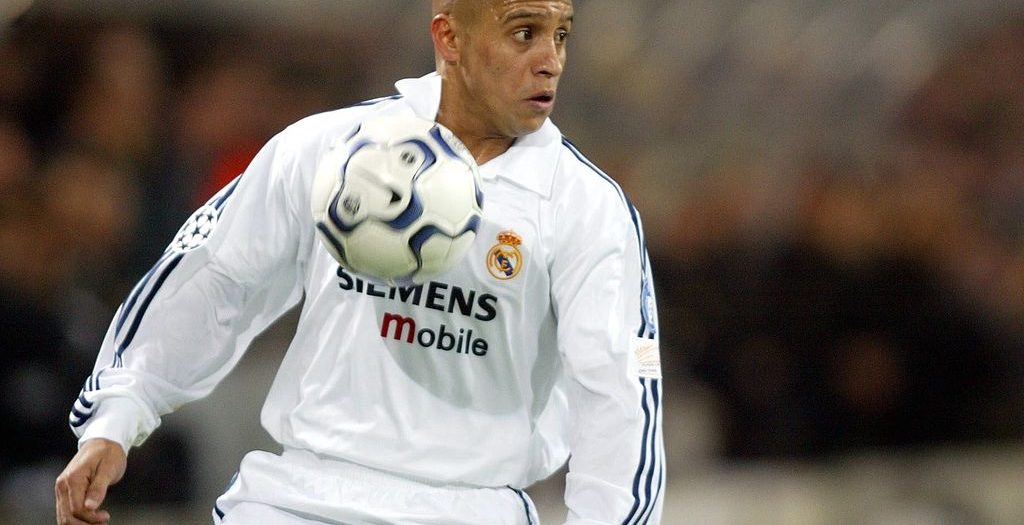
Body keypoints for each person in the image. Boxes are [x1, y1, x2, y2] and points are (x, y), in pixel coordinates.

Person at [55, 1, 665, 524]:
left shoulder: (587, 207)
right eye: (524, 32)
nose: (551, 60)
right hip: (298, 500)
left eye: (561, 34)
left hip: (468, 509)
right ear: (449, 37)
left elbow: (619, 391)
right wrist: (118, 414)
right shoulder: (329, 148)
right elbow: (214, 276)